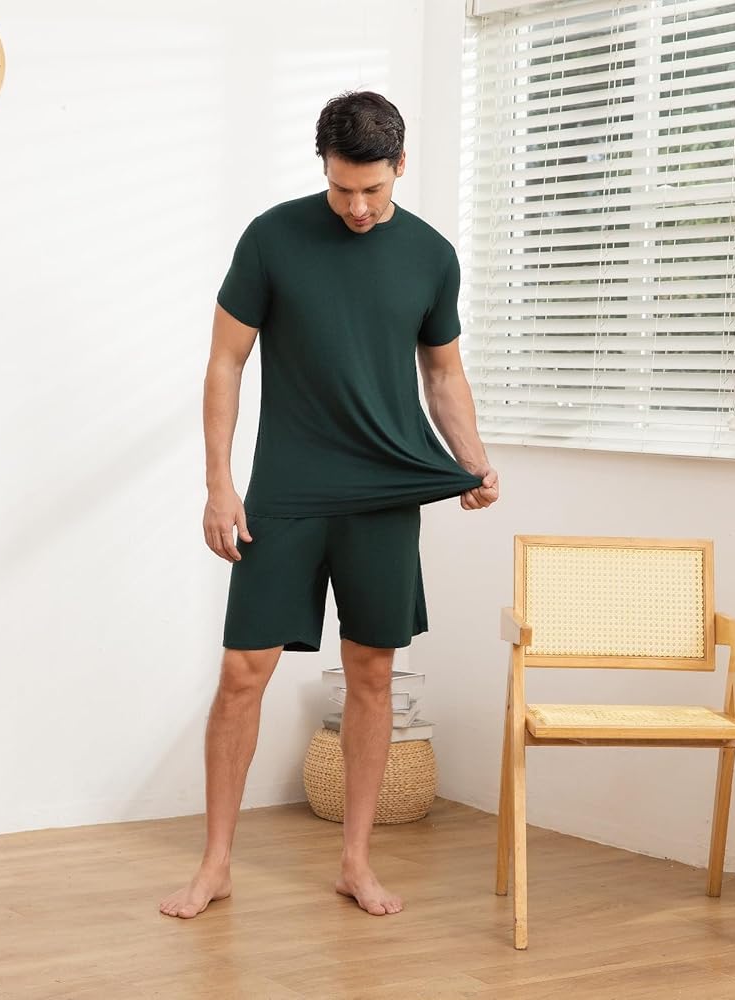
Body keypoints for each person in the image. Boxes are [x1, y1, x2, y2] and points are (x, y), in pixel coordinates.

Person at [159, 91, 499, 920]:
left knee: (372, 673)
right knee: (243, 672)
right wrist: (218, 483)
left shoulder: (432, 255)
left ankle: (355, 862)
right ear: (325, 168)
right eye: (342, 188)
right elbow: (225, 362)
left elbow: (443, 374)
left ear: (401, 166)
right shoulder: (271, 238)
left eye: (372, 190)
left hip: (385, 492)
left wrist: (473, 460)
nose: (356, 206)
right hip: (288, 489)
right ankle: (216, 864)